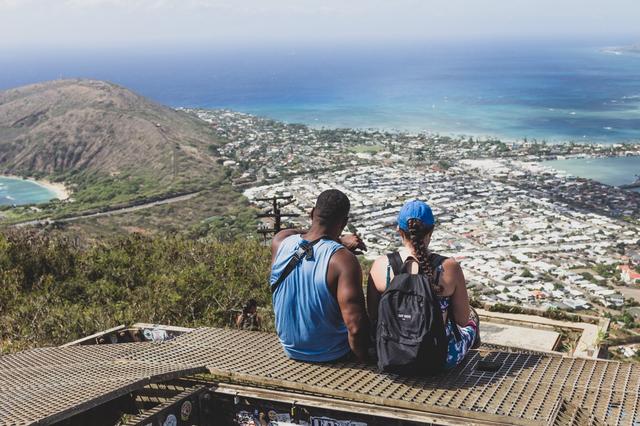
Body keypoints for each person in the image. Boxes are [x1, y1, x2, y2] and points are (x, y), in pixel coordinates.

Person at [367, 199, 479, 369]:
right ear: (431, 231)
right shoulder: (449, 268)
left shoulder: (381, 265)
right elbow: (462, 320)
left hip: (391, 354)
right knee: (472, 321)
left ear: (399, 230)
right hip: (437, 359)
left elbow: (374, 315)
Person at [269, 189, 370, 362]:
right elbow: (355, 327)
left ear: (312, 213)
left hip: (290, 349)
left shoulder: (280, 241)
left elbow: (298, 233)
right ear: (344, 222)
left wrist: (335, 238)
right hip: (332, 354)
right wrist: (366, 360)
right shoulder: (343, 261)